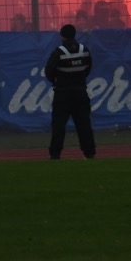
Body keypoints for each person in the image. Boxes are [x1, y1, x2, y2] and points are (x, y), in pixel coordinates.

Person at [44, 23, 96, 160]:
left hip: (63, 93)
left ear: (62, 36)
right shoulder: (84, 50)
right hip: (80, 92)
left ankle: (55, 154)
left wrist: (57, 81)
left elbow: (49, 71)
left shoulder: (59, 52)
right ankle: (89, 153)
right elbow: (88, 69)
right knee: (84, 124)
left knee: (59, 125)